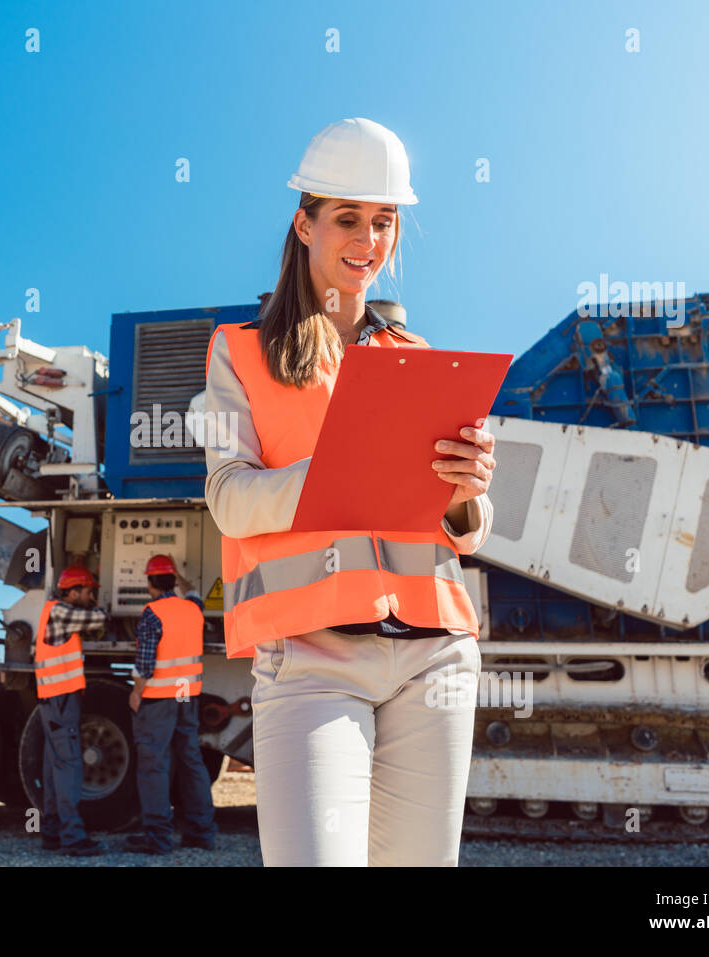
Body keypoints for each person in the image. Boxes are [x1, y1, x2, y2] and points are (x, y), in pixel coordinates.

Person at [203, 117, 497, 866]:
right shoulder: (238, 350)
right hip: (310, 658)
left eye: (385, 220)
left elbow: (463, 531)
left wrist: (469, 491)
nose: (370, 240)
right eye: (348, 218)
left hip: (432, 659)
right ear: (305, 224)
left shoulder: (417, 356)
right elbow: (229, 498)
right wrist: (333, 474)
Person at [123, 554, 218, 855]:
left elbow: (145, 664)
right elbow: (191, 592)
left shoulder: (152, 613)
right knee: (191, 761)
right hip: (185, 695)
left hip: (159, 698)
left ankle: (158, 838)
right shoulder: (193, 608)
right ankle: (201, 832)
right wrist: (180, 575)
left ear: (151, 582)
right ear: (173, 580)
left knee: (154, 766)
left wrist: (136, 693)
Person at [34, 564, 108, 856]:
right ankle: (73, 838)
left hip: (54, 700)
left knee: (55, 768)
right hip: (61, 701)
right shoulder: (60, 611)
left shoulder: (53, 612)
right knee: (69, 768)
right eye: (88, 591)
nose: (91, 596)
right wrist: (101, 608)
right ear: (74, 591)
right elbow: (98, 619)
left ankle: (52, 833)